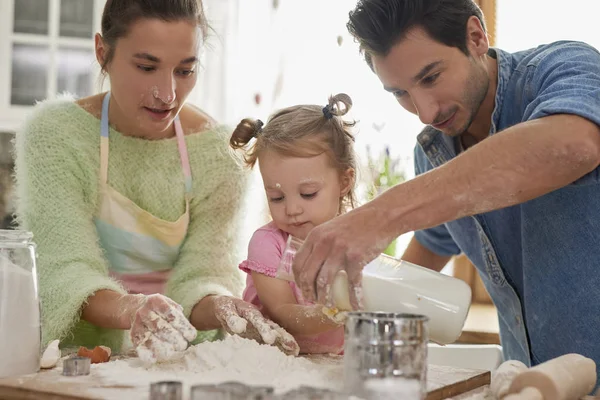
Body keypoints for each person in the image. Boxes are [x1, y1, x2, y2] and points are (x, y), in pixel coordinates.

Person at [292, 0, 600, 380]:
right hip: (529, 384)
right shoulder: (434, 153)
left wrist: (379, 216)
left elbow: (576, 144)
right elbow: (423, 259)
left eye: (431, 77)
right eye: (399, 93)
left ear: (475, 37)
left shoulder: (564, 66)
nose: (425, 112)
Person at [14, 0, 298, 363]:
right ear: (103, 52)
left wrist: (221, 303)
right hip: (74, 359)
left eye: (185, 70)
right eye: (147, 67)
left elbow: (204, 273)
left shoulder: (217, 154)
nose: (167, 94)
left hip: (177, 360)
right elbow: (65, 267)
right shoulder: (55, 135)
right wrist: (131, 309)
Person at [230, 94, 357, 354]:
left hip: (331, 364)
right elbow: (283, 313)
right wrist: (334, 314)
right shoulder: (268, 243)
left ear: (344, 182)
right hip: (271, 361)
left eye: (308, 193)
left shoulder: (354, 240)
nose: (292, 209)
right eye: (276, 197)